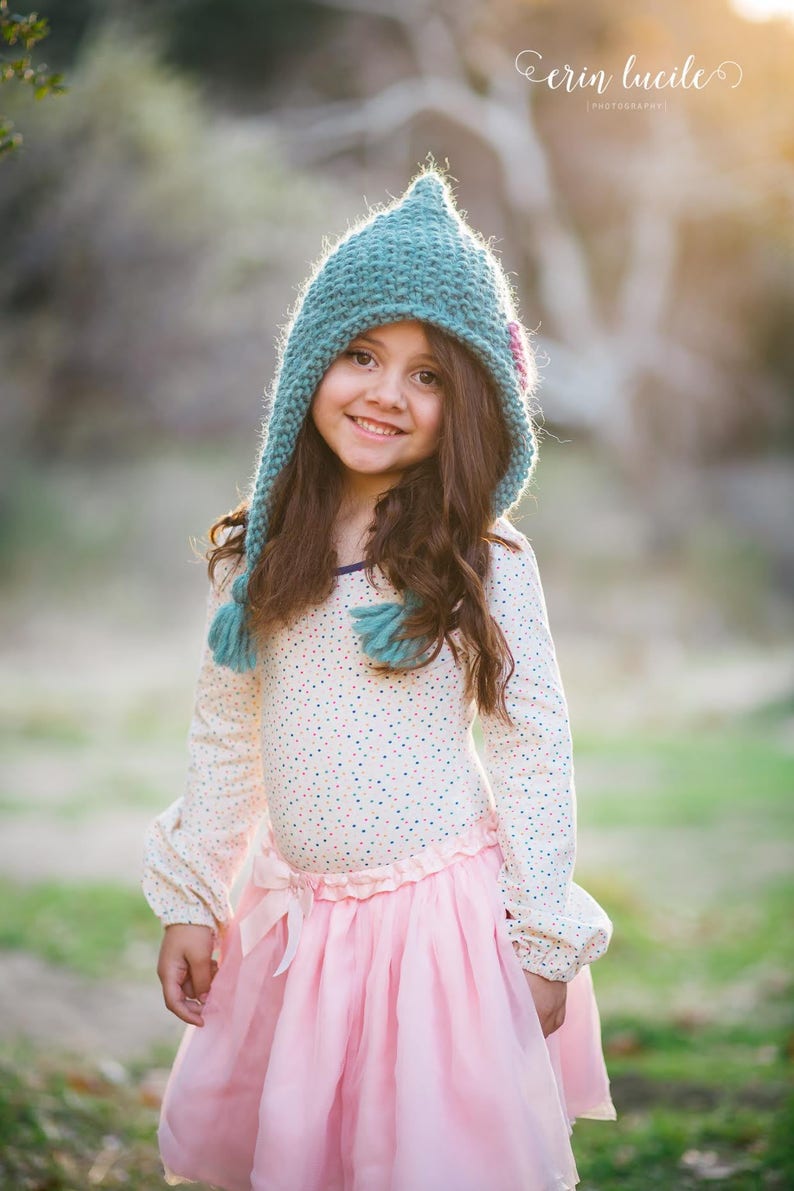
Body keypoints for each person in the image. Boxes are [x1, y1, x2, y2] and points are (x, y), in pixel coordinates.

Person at [141, 161, 617, 1191]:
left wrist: (541, 937)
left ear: (475, 403)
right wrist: (195, 894)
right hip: (298, 930)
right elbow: (229, 732)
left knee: (428, 1158)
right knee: (313, 1151)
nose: (385, 394)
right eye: (361, 354)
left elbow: (533, 744)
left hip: (434, 935)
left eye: (428, 374)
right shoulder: (266, 556)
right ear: (311, 362)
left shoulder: (481, 561)